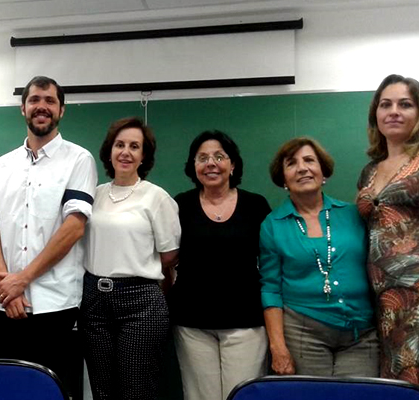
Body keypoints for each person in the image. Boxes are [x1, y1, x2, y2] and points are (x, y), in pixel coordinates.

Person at [0, 76, 97, 384]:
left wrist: (23, 280)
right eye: (34, 100)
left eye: (49, 101)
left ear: (62, 110)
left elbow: (73, 228)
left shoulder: (79, 159)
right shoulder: (3, 164)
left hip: (54, 304)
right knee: (6, 388)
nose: (41, 107)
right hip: (4, 303)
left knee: (47, 388)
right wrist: (7, 285)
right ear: (23, 108)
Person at [260, 137, 378, 377]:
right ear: (283, 179)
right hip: (304, 334)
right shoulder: (273, 225)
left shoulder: (354, 215)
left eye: (309, 160)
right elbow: (271, 289)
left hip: (361, 334)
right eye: (291, 163)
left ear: (323, 171)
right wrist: (278, 348)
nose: (302, 168)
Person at [81, 117, 180, 400]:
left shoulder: (156, 197)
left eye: (134, 146)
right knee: (101, 389)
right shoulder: (94, 195)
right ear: (109, 151)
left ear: (143, 156)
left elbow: (170, 254)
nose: (126, 152)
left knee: (136, 391)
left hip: (140, 303)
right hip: (94, 301)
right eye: (119, 144)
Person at [169, 130, 270, 400]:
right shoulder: (180, 204)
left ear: (232, 164)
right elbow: (166, 258)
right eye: (202, 158)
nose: (210, 163)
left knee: (243, 396)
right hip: (192, 324)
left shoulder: (256, 205)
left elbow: (271, 263)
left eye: (219, 156)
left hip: (246, 324)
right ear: (193, 166)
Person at [357, 74, 419, 383]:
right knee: (393, 381)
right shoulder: (369, 170)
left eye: (405, 104)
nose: (394, 111)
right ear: (376, 115)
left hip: (416, 294)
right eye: (386, 105)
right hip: (380, 299)